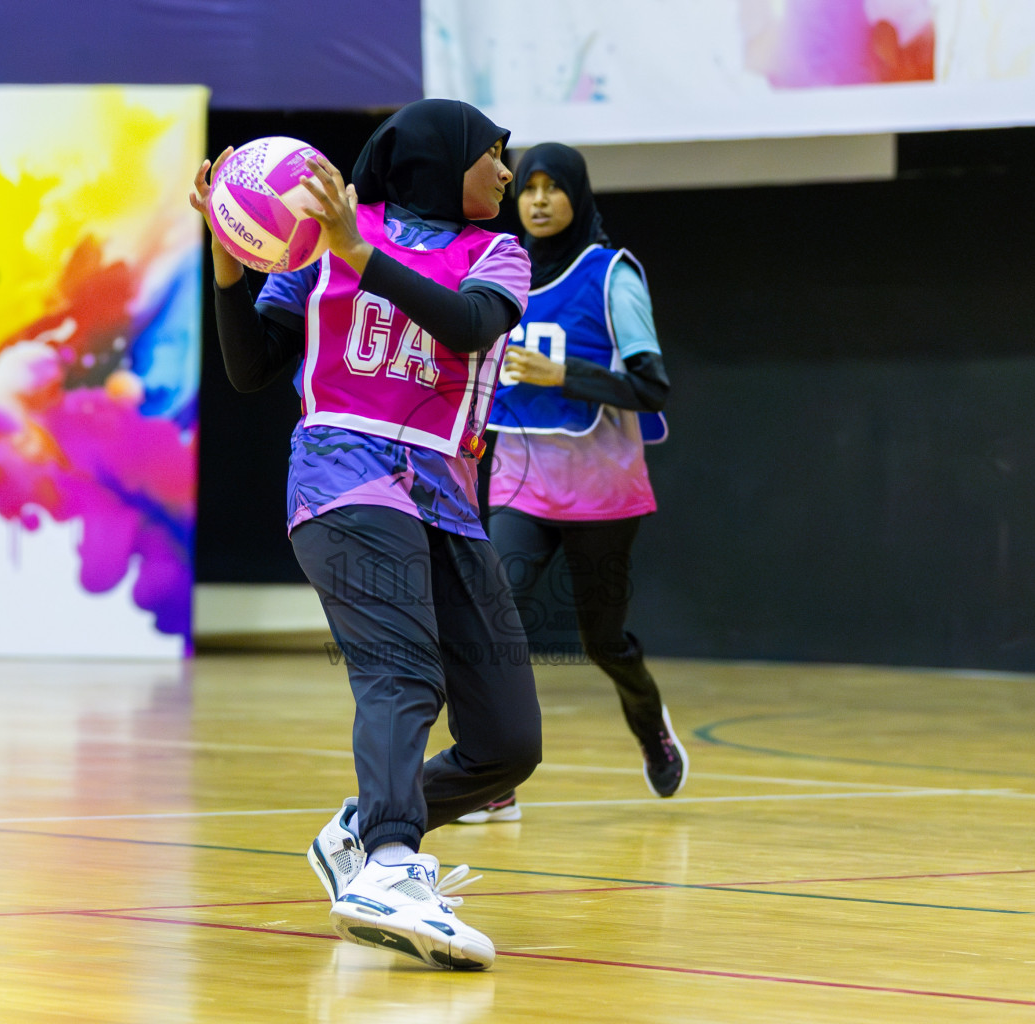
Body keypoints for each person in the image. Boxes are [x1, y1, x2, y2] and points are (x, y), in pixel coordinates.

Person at [188, 99, 541, 971]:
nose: (506, 173)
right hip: (344, 473)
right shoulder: (319, 231)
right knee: (403, 670)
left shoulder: (496, 253)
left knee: (508, 744)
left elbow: (466, 327)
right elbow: (250, 367)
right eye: (493, 156)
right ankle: (386, 865)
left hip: (446, 495)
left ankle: (361, 824)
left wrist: (360, 256)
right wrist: (230, 272)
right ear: (440, 157)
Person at [459, 142, 685, 825]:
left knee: (601, 640)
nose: (538, 201)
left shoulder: (612, 275)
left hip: (603, 491)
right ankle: (494, 777)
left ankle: (651, 728)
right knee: (493, 619)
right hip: (520, 480)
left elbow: (652, 387)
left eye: (554, 189)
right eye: (528, 187)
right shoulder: (498, 270)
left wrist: (566, 377)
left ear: (577, 197)